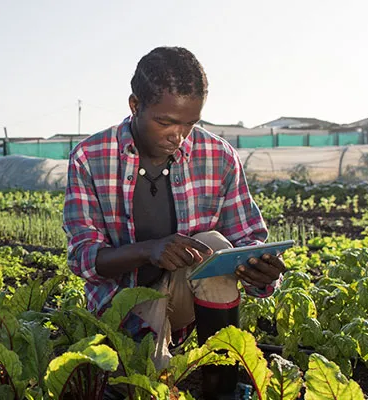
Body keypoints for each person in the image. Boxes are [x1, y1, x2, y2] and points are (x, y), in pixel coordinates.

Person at [62, 46, 287, 400]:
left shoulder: (219, 156)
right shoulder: (90, 158)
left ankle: (222, 390)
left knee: (213, 245)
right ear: (135, 105)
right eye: (165, 122)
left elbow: (248, 239)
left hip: (187, 302)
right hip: (121, 307)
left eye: (190, 123)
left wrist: (261, 269)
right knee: (142, 388)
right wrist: (149, 251)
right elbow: (84, 259)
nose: (178, 135)